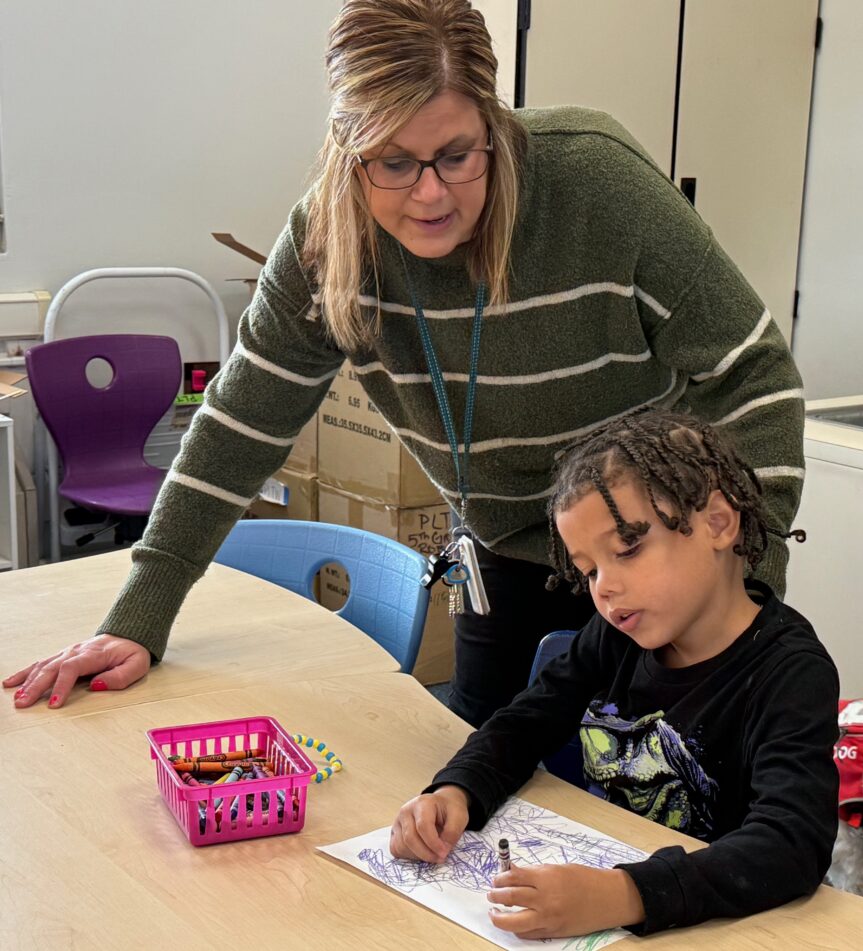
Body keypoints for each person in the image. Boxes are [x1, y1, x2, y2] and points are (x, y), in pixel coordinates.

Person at [5, 1, 807, 727]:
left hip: (654, 554)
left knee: (674, 805)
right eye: (392, 162)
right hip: (501, 556)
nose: (429, 194)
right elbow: (237, 427)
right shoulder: (325, 242)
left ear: (493, 125)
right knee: (490, 799)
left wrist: (746, 585)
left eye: (456, 154)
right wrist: (137, 618)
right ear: (347, 152)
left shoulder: (596, 184)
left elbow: (754, 375)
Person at [389, 407, 839, 938]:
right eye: (589, 570)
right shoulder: (618, 636)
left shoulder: (790, 673)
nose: (602, 588)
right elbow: (524, 722)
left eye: (626, 550)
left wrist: (625, 894)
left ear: (718, 523)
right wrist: (456, 791)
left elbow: (790, 845)